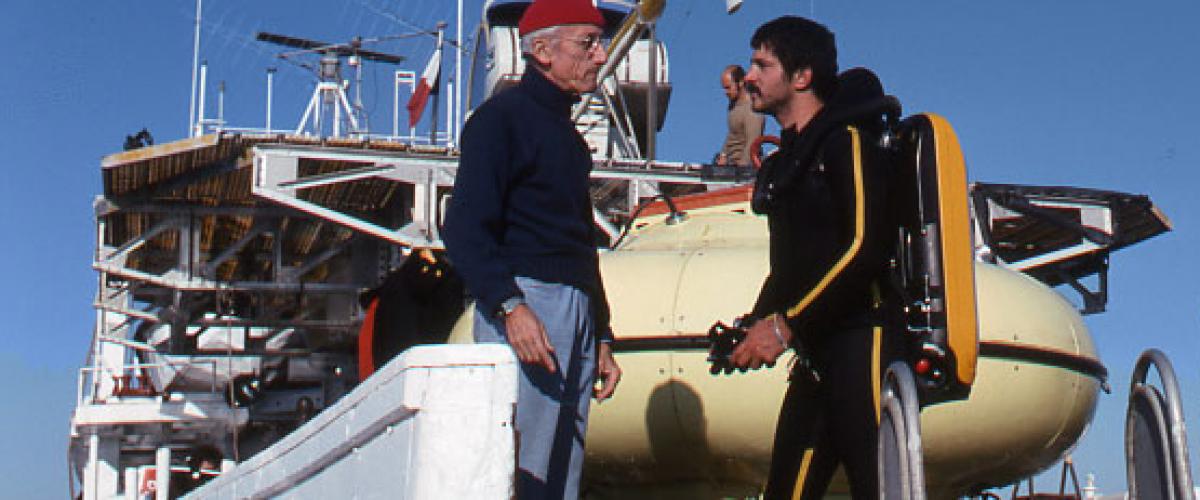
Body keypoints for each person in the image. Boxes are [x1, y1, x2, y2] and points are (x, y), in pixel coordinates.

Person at [441, 0, 622, 498]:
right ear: (541, 50)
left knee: (561, 473)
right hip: (529, 307)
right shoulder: (499, 121)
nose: (601, 56)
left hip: (573, 308)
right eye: (588, 42)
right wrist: (509, 306)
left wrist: (602, 333)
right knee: (524, 471)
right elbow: (463, 228)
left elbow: (580, 240)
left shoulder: (568, 137)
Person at [725, 16, 903, 500]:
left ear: (802, 77)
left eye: (763, 64)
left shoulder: (846, 142)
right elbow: (789, 270)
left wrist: (784, 327)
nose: (750, 76)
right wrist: (753, 324)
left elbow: (865, 248)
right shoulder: (788, 165)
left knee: (876, 487)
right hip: (816, 351)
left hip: (862, 343)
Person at [716, 64, 765, 166]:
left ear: (741, 82)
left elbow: (753, 143)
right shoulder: (733, 106)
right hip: (729, 164)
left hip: (744, 169)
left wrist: (741, 169)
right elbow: (732, 135)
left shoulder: (752, 109)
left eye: (728, 88)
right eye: (724, 88)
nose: (726, 92)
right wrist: (723, 155)